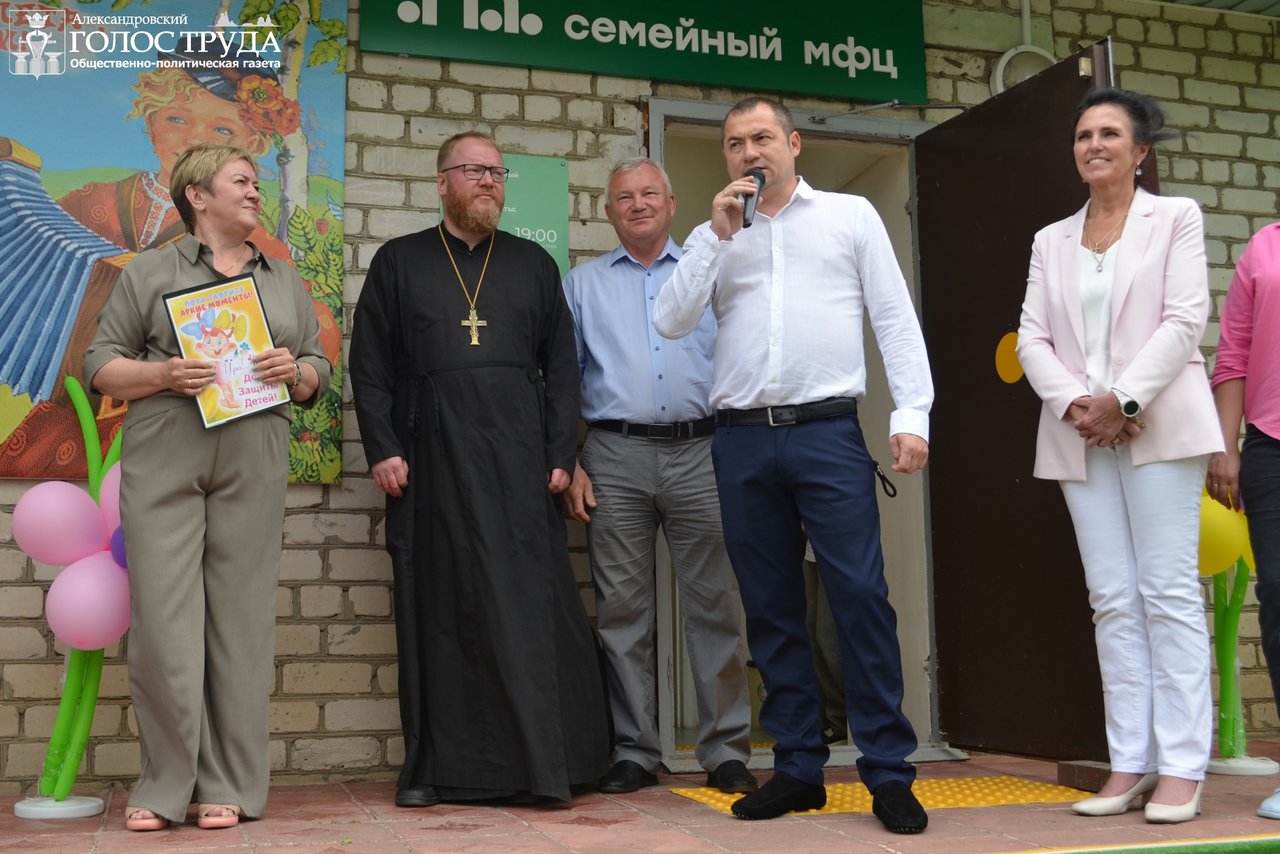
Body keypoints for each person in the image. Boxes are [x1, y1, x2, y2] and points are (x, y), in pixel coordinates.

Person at [653, 96, 932, 833]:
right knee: (770, 607)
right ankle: (800, 768)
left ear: (794, 143)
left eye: (762, 138)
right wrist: (714, 239)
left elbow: (894, 317)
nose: (750, 152)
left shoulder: (849, 216)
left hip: (827, 433)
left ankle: (889, 772)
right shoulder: (715, 233)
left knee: (859, 597)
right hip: (741, 439)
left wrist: (912, 413)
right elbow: (670, 320)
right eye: (735, 143)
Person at [349, 131, 610, 807]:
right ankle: (436, 769)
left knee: (530, 610)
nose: (489, 181)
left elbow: (562, 369)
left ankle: (546, 765)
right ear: (443, 182)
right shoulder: (399, 261)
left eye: (497, 172)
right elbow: (369, 366)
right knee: (439, 610)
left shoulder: (532, 265)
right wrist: (382, 447)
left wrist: (561, 453)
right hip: (429, 465)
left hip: (519, 466)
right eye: (474, 170)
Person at [83, 143, 330, 831]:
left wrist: (297, 372)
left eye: (257, 183)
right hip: (167, 454)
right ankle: (166, 784)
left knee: (241, 625)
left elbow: (316, 369)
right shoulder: (150, 271)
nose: (255, 192)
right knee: (164, 625)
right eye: (241, 181)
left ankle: (229, 784)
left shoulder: (282, 278)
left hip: (255, 455)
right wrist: (163, 374)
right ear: (197, 195)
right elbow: (100, 363)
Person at [1016, 87, 1221, 825]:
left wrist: (1123, 401)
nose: (1093, 145)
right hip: (1080, 434)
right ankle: (1130, 760)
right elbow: (1032, 336)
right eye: (1083, 135)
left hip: (1158, 427)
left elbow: (1185, 318)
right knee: (1111, 599)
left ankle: (1183, 766)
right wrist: (1081, 404)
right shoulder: (1051, 239)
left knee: (1167, 592)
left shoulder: (1177, 217)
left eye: (1109, 134)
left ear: (1140, 152)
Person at [561, 158, 756, 797]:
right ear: (608, 212)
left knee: (716, 606)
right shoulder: (582, 285)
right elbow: (563, 379)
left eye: (650, 193)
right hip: (613, 456)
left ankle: (725, 750)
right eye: (624, 197)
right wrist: (572, 459)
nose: (638, 204)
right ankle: (634, 751)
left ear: (672, 204)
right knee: (622, 611)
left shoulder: (711, 268)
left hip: (704, 452)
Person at [1207, 223, 1280, 819]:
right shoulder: (1265, 246)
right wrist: (1226, 446)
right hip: (1271, 445)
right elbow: (1233, 352)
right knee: (1278, 598)